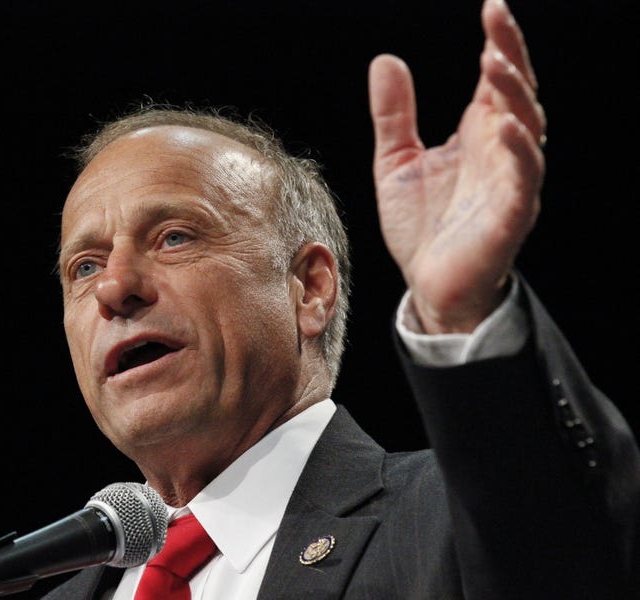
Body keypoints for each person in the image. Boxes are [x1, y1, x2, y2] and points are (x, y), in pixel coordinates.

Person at [45, 0, 640, 598]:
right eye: (85, 265)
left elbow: (558, 546)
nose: (114, 289)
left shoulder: (449, 525)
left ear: (310, 288)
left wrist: (461, 312)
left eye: (174, 237)